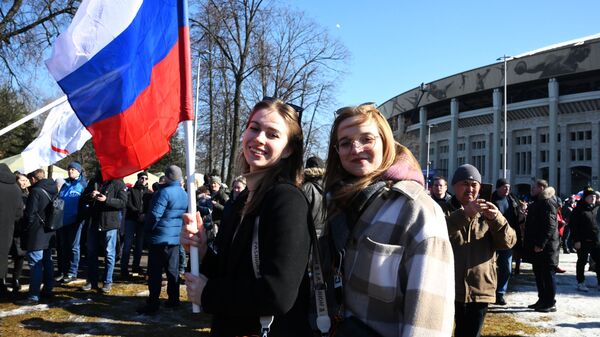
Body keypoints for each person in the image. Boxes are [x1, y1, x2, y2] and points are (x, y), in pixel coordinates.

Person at [181, 98, 312, 337]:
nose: (259, 138)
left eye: (273, 135)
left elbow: (278, 294)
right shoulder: (241, 199)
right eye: (254, 128)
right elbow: (228, 272)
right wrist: (200, 250)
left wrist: (209, 294)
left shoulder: (286, 200)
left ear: (289, 149)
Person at [324, 103, 455, 336]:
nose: (355, 148)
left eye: (366, 139)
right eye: (345, 143)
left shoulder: (417, 211)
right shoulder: (336, 205)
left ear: (385, 142)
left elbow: (429, 320)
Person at [444, 164, 516, 337]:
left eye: (474, 184)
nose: (470, 189)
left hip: (480, 289)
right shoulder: (441, 210)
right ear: (454, 186)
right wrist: (464, 214)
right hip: (447, 287)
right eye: (465, 184)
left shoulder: (488, 213)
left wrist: (496, 219)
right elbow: (435, 233)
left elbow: (509, 242)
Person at [136, 165, 188, 314]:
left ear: (167, 177)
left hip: (159, 237)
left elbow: (154, 215)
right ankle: (174, 299)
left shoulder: (163, 192)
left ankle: (153, 303)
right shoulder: (184, 194)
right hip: (174, 238)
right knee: (173, 270)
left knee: (155, 272)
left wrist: (148, 229)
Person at [80, 170, 127, 294]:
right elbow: (83, 198)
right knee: (91, 252)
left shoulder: (118, 182)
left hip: (109, 223)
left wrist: (107, 199)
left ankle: (107, 281)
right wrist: (90, 195)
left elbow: (123, 203)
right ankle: (91, 280)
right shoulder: (94, 181)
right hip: (93, 221)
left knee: (109, 253)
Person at [17, 169, 56, 305]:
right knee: (47, 262)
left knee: (35, 264)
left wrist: (25, 228)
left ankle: (33, 295)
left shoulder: (36, 191)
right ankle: (48, 289)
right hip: (49, 230)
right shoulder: (53, 189)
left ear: (34, 178)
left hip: (36, 232)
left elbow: (30, 214)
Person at [524, 179, 560, 312]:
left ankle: (550, 302)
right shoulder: (538, 202)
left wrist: (541, 243)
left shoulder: (547, 202)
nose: (531, 190)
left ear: (542, 188)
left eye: (534, 187)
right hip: (538, 247)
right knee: (539, 274)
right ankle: (542, 300)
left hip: (547, 248)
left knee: (548, 275)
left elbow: (550, 226)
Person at [491, 178, 525, 305]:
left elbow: (517, 218)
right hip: (492, 238)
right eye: (504, 187)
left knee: (506, 268)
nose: (507, 190)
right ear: (498, 188)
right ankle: (490, 291)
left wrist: (521, 215)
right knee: (490, 267)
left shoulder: (512, 199)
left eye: (509, 187)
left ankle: (500, 293)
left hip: (507, 238)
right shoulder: (491, 199)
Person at [56, 161, 87, 284]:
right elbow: (59, 200)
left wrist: (81, 217)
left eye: (73, 169)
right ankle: (62, 271)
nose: (70, 171)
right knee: (63, 247)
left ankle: (72, 272)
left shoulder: (83, 185)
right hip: (62, 220)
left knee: (74, 248)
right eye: (69, 169)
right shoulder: (65, 184)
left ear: (78, 171)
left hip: (75, 221)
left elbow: (86, 203)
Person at [570, 186, 600, 292]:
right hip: (583, 241)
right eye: (591, 196)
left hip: (595, 241)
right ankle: (580, 282)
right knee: (582, 262)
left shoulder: (595, 209)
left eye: (594, 197)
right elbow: (573, 226)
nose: (593, 198)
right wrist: (576, 240)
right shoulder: (578, 210)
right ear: (585, 198)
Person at [0, 164, 23, 298]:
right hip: (9, 227)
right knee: (3, 255)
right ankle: (1, 284)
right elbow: (19, 213)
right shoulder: (16, 188)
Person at [121, 171, 149, 278]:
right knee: (127, 245)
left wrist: (144, 214)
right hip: (131, 219)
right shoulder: (131, 190)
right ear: (138, 179)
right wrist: (138, 213)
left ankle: (136, 266)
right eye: (142, 178)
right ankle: (124, 268)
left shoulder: (148, 193)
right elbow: (128, 204)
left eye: (146, 178)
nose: (144, 180)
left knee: (139, 246)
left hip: (142, 221)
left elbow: (149, 206)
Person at [10, 172, 29, 293]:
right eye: (22, 180)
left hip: (21, 230)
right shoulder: (12, 193)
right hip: (10, 227)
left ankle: (15, 279)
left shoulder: (28, 194)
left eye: (26, 180)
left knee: (19, 255)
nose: (24, 182)